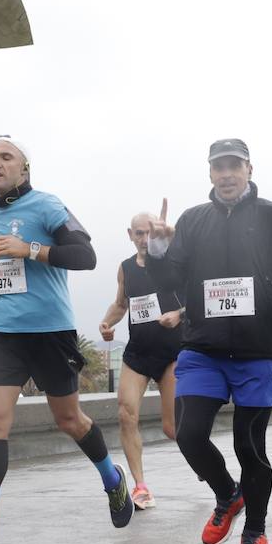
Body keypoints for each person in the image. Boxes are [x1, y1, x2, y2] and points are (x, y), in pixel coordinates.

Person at [0, 136, 131, 544]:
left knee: (69, 420)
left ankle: (113, 480)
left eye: (6, 157)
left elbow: (86, 256)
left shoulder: (47, 205)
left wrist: (33, 249)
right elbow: (11, 263)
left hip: (49, 332)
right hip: (2, 331)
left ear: (24, 168)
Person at [146, 138, 272, 544]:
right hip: (203, 349)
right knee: (189, 435)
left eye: (234, 166)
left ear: (249, 169)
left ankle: (255, 533)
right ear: (210, 174)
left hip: (256, 352)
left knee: (250, 446)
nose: (226, 174)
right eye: (218, 167)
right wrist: (156, 249)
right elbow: (169, 280)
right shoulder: (193, 221)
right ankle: (229, 495)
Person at [98, 211, 183, 509]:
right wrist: (107, 323)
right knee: (125, 414)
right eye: (138, 233)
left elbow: (197, 299)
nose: (144, 239)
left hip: (172, 354)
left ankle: (205, 465)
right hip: (138, 353)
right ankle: (141, 486)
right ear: (130, 235)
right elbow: (121, 304)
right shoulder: (125, 268)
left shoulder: (173, 263)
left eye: (149, 233)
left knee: (172, 429)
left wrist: (179, 315)